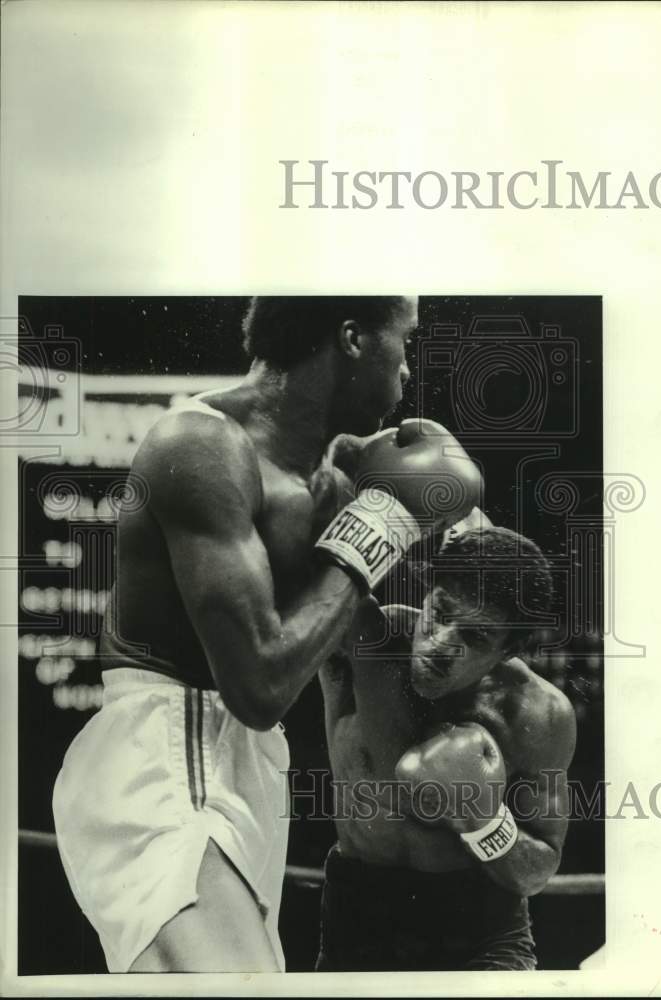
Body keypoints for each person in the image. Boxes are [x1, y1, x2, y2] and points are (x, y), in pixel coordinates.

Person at [52, 295, 483, 973]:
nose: (408, 373)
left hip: (247, 770)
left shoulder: (328, 475)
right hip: (168, 754)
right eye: (406, 342)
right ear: (352, 338)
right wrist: (385, 525)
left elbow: (332, 637)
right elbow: (260, 685)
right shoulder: (201, 445)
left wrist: (454, 572)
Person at [316, 523, 577, 971]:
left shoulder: (539, 714)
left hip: (482, 935)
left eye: (475, 638)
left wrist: (482, 819)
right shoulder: (364, 640)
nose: (441, 644)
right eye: (440, 612)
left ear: (508, 650)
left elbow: (538, 869)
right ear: (426, 592)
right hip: (357, 922)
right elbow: (295, 572)